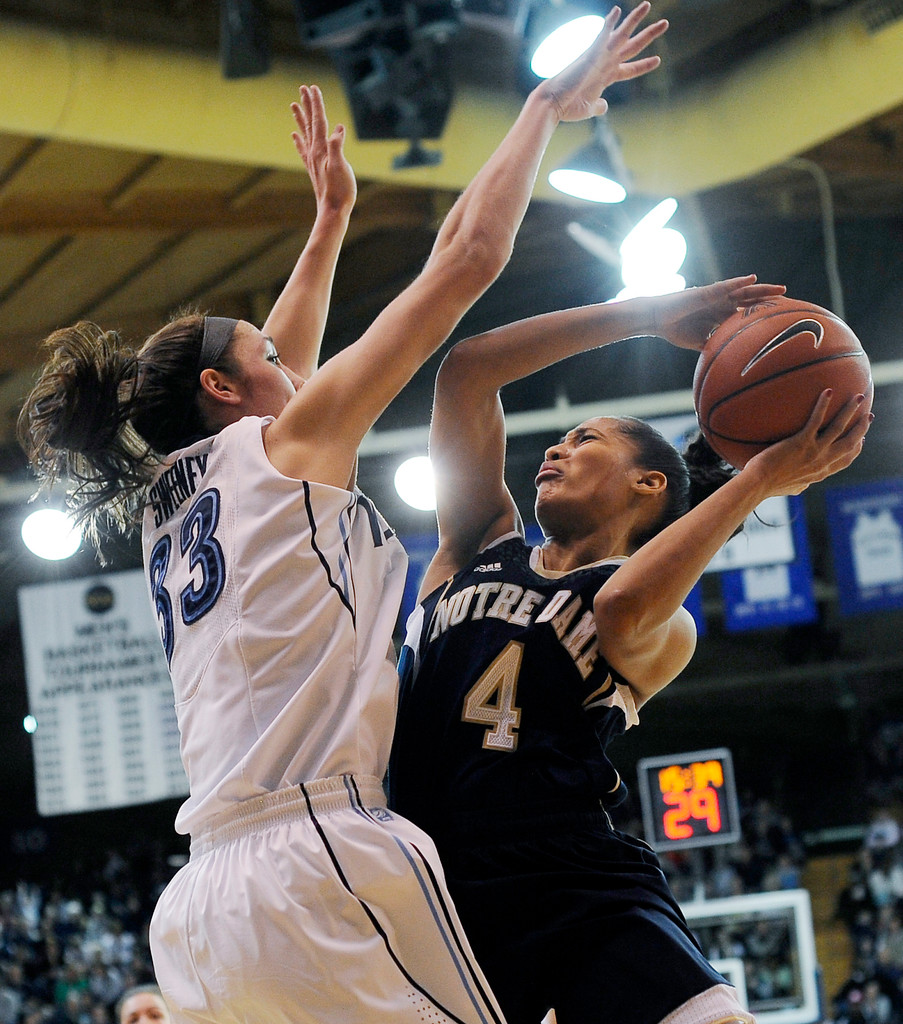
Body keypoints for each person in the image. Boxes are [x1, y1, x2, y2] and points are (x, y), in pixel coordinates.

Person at [17, 9, 669, 1023]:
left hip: (200, 909)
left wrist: (327, 226)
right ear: (230, 393)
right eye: (270, 360)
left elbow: (274, 355)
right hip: (319, 859)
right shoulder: (285, 441)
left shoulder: (177, 494)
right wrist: (543, 105)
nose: (294, 360)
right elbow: (468, 257)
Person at [388, 279, 872, 1024]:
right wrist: (643, 316)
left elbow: (617, 603)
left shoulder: (661, 624)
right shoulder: (475, 543)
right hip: (438, 894)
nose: (556, 445)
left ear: (649, 484)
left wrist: (760, 478)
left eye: (587, 439)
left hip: (573, 880)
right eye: (563, 437)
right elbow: (467, 368)